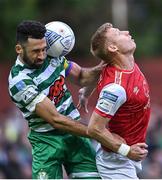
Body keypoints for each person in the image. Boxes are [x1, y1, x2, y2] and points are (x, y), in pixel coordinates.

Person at [8, 20, 103, 179]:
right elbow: (55, 119)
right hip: (47, 141)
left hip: (75, 136)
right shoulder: (19, 81)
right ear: (19, 49)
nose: (42, 55)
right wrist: (97, 133)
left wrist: (107, 64)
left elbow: (81, 77)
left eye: (44, 49)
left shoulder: (53, 55)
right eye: (36, 51)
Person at [78, 23, 151, 179]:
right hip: (116, 162)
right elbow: (94, 129)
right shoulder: (115, 89)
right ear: (113, 48)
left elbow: (100, 70)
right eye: (119, 33)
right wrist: (127, 151)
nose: (126, 32)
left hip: (128, 155)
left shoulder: (124, 60)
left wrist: (85, 92)